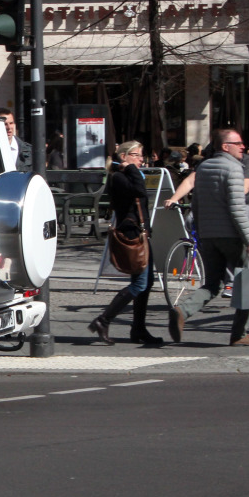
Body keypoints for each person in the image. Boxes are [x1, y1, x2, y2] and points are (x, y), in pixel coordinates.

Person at [168, 127, 249, 346]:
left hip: (208, 235)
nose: (243, 147)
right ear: (225, 146)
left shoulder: (204, 167)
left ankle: (183, 310)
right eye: (238, 143)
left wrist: (199, 232)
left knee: (212, 283)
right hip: (231, 235)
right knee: (248, 283)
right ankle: (239, 334)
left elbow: (197, 204)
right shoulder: (235, 169)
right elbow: (238, 209)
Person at [90, 141, 163, 345]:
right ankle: (103, 320)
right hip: (131, 234)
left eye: (141, 156)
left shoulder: (130, 175)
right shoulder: (119, 178)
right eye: (136, 155)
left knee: (146, 283)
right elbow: (139, 191)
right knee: (140, 283)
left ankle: (138, 328)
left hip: (141, 234)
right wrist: (129, 168)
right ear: (124, 156)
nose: (141, 160)